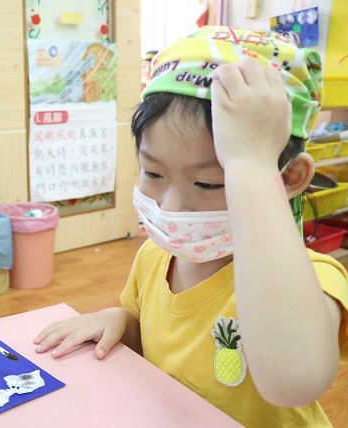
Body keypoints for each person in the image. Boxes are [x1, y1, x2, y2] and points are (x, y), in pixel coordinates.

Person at [34, 26, 348, 426]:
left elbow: (293, 381)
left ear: (289, 178)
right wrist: (120, 321)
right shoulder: (154, 257)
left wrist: (250, 164)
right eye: (153, 173)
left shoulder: (314, 279)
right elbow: (152, 336)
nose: (171, 206)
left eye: (209, 183)